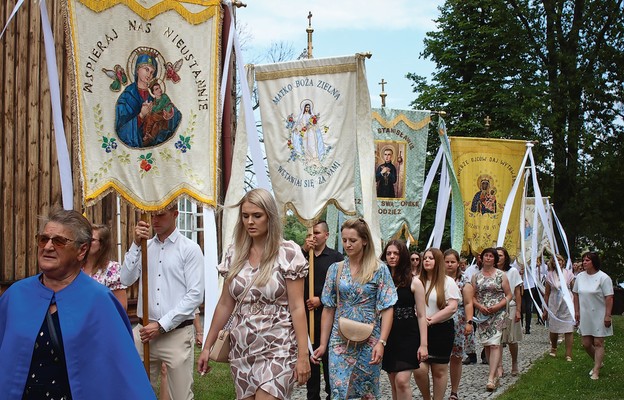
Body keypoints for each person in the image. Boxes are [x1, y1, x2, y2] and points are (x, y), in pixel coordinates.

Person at [0, 209, 154, 399]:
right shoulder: (15, 296)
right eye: (43, 239)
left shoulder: (100, 301)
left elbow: (123, 374)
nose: (47, 246)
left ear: (82, 250)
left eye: (59, 241)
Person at [198, 188, 311, 399]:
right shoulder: (234, 253)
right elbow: (225, 304)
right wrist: (207, 347)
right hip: (242, 349)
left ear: (270, 217)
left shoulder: (288, 253)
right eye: (245, 215)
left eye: (257, 216)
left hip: (279, 347)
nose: (250, 221)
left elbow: (297, 308)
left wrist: (303, 355)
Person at [121, 203, 204, 400]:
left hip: (176, 334)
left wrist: (161, 325)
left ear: (175, 214)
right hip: (143, 334)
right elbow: (125, 279)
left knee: (180, 396)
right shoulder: (144, 247)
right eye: (152, 216)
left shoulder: (190, 249)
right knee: (135, 392)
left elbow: (195, 295)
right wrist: (135, 244)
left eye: (161, 215)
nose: (155, 220)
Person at [312, 218, 397, 399]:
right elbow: (328, 307)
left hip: (370, 340)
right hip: (338, 339)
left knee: (366, 392)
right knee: (338, 391)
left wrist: (381, 342)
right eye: (344, 240)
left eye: (353, 240)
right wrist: (323, 344)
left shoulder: (379, 270)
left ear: (364, 240)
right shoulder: (335, 269)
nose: (347, 245)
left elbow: (388, 307)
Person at [381, 240, 428, 400]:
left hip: (409, 336)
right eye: (389, 253)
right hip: (388, 336)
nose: (392, 256)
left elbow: (422, 315)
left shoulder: (414, 282)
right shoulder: (382, 280)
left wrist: (423, 344)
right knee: (394, 381)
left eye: (396, 253)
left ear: (403, 255)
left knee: (402, 381)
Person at [302, 221, 344, 400]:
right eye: (310, 234)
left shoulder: (336, 257)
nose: (313, 237)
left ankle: (331, 395)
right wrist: (304, 250)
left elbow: (342, 286)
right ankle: (312, 396)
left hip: (328, 315)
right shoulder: (301, 255)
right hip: (306, 316)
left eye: (317, 233)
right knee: (311, 358)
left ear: (326, 235)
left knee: (328, 360)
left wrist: (321, 299)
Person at [413, 248, 460, 400]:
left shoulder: (448, 282)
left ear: (438, 261)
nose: (426, 260)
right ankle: (427, 397)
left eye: (431, 258)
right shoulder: (416, 280)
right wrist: (421, 320)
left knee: (439, 370)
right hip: (419, 330)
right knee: (419, 368)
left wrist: (431, 320)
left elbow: (452, 307)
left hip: (441, 329)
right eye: (425, 258)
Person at [115, 49, 181, 148]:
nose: (149, 74)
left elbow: (176, 116)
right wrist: (141, 116)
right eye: (146, 69)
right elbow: (121, 131)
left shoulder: (156, 94)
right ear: (137, 70)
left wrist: (169, 113)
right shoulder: (127, 96)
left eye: (152, 72)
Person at [472, 248, 512, 391]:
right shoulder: (476, 276)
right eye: (486, 256)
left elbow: (508, 295)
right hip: (483, 314)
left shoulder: (501, 275)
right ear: (481, 258)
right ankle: (493, 373)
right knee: (487, 345)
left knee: (495, 343)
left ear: (495, 259)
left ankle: (490, 378)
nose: (488, 258)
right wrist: (479, 306)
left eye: (491, 256)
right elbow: (472, 296)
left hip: (498, 313)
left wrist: (497, 306)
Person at [573, 252, 613, 380]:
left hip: (599, 313)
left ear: (594, 262)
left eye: (587, 260)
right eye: (583, 260)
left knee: (598, 342)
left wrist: (607, 315)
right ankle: (598, 361)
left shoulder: (604, 278)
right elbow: (575, 295)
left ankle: (596, 370)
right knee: (586, 343)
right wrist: (576, 311)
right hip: (585, 314)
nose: (584, 262)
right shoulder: (580, 277)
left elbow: (609, 297)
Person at [445, 249, 474, 400]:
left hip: (459, 321)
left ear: (458, 264)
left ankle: (454, 391)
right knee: (438, 357)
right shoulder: (437, 279)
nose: (449, 265)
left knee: (456, 357)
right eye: (447, 261)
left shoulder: (464, 282)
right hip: (440, 320)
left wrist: (469, 322)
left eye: (452, 262)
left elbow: (469, 303)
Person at [82, 223, 127, 309]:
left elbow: (122, 306)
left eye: (91, 240)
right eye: (85, 238)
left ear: (102, 245)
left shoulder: (112, 268)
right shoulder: (76, 267)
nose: (86, 242)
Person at [496, 247, 523, 377]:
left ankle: (514, 362)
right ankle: (499, 366)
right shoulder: (491, 271)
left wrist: (518, 310)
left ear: (505, 257)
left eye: (500, 255)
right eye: (496, 255)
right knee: (498, 338)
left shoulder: (513, 272)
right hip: (496, 308)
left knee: (511, 339)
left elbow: (518, 292)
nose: (498, 257)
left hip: (510, 306)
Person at [543, 254, 575, 361]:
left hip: (567, 302)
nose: (559, 262)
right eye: (556, 260)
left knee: (568, 328)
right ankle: (554, 348)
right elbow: (547, 293)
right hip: (554, 302)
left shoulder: (569, 273)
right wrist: (545, 309)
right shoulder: (549, 275)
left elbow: (574, 289)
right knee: (554, 327)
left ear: (563, 262)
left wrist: (575, 305)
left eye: (560, 260)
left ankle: (568, 353)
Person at [142, 80, 176, 146]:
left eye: (159, 88)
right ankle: (148, 138)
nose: (159, 90)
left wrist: (151, 107)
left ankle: (147, 134)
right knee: (154, 125)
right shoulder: (154, 101)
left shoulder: (164, 96)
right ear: (153, 92)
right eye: (156, 89)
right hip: (158, 120)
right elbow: (155, 109)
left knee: (150, 116)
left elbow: (159, 107)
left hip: (164, 116)